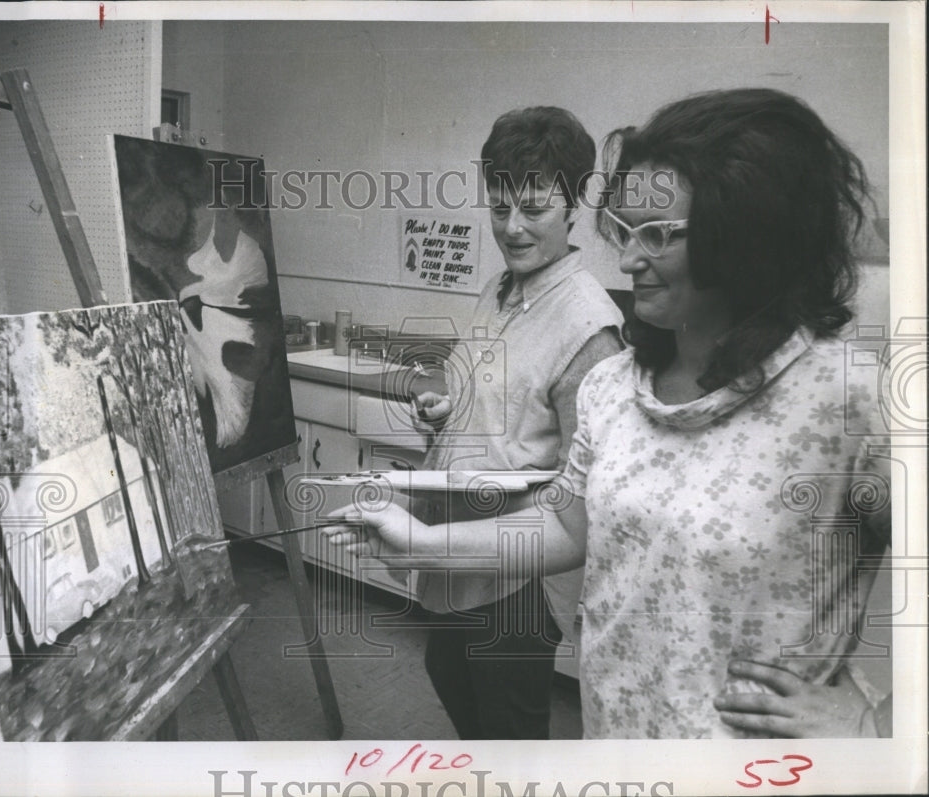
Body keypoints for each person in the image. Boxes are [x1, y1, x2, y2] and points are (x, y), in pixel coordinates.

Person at [329, 88, 892, 738]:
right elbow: (568, 527)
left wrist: (876, 720)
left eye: (657, 234)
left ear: (745, 238)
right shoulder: (615, 387)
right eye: (624, 231)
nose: (626, 260)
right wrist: (423, 541)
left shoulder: (846, 399)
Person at [408, 106, 624, 739]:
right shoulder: (500, 289)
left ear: (575, 203)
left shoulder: (589, 325)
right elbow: (479, 387)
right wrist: (446, 408)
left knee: (510, 731)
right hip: (460, 553)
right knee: (449, 672)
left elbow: (585, 485)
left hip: (517, 574)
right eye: (499, 208)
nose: (513, 227)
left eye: (534, 209)